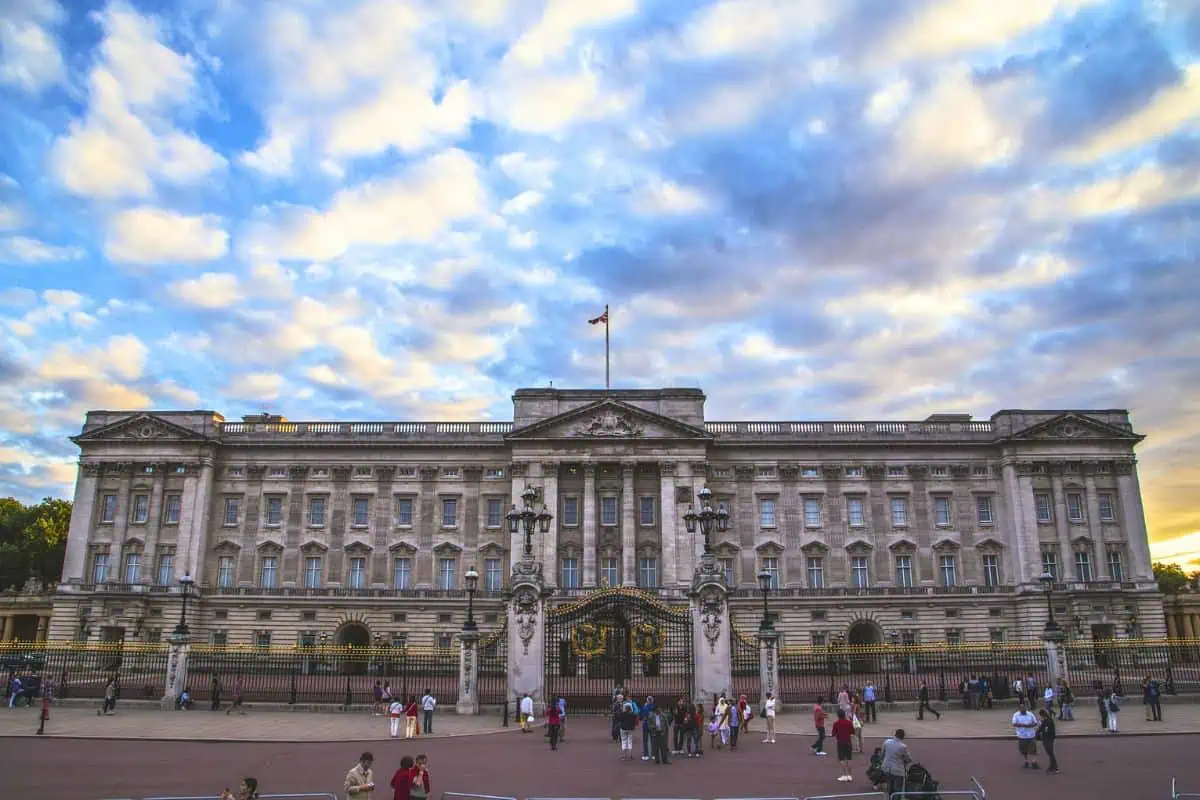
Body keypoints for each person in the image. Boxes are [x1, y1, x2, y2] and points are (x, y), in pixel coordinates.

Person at [880, 729, 911, 798]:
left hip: (887, 768)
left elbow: (882, 754)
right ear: (902, 736)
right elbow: (908, 759)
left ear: (895, 734)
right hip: (898, 770)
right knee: (898, 790)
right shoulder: (902, 746)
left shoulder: (886, 742)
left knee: (890, 788)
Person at [1012, 700, 1040, 769]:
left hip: (1031, 734)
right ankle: (1026, 761)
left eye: (1024, 708)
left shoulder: (1030, 714)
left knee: (1033, 749)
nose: (1023, 709)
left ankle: (1034, 762)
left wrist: (1031, 725)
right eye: (1021, 708)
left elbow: (1035, 722)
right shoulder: (1016, 715)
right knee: (1023, 750)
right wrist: (1023, 725)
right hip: (1022, 735)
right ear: (1019, 709)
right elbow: (1014, 723)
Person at [832, 708, 855, 782]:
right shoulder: (849, 723)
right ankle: (850, 775)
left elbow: (833, 734)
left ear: (838, 715)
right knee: (849, 758)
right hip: (848, 742)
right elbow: (852, 732)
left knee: (842, 759)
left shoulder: (836, 723)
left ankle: (844, 775)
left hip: (840, 742)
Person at [1037, 708, 1059, 774]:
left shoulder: (1047, 721)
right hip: (1048, 738)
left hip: (1047, 739)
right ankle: (1052, 766)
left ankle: (1055, 767)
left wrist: (1038, 733)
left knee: (1050, 753)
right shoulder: (1047, 720)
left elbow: (1044, 729)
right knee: (1050, 753)